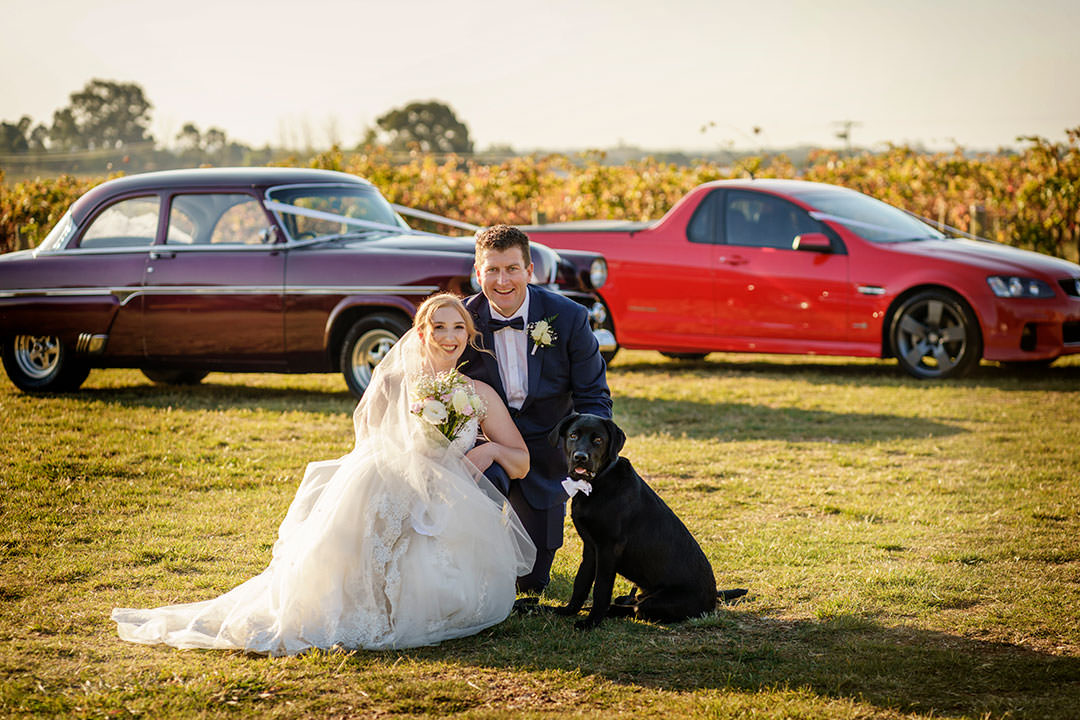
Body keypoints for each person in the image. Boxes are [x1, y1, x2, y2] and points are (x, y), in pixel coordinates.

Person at [111, 294, 535, 655]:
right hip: (391, 480)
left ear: (468, 335)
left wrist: (490, 449)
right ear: (421, 333)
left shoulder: (478, 395)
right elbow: (369, 435)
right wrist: (413, 464)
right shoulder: (397, 383)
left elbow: (521, 460)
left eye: (457, 328)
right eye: (437, 327)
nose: (448, 337)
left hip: (450, 502)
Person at [461, 225, 612, 594]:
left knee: (529, 583)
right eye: (492, 270)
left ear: (531, 272)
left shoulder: (569, 317)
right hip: (484, 449)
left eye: (512, 269)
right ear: (478, 273)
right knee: (471, 556)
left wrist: (586, 455)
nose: (502, 280)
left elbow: (594, 396)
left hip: (546, 458)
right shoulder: (460, 321)